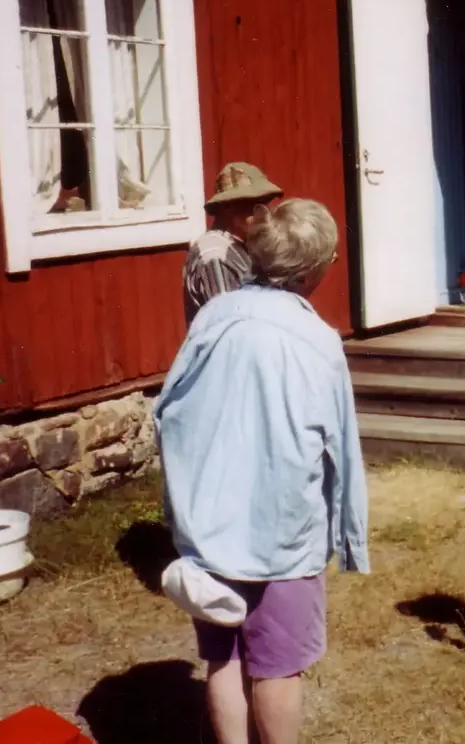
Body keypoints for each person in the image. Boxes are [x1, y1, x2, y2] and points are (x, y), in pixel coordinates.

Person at [155, 198, 368, 744]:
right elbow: (341, 443)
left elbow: (167, 410)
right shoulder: (316, 339)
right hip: (283, 532)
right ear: (316, 270)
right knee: (277, 666)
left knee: (223, 655)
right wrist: (350, 537)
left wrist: (181, 501)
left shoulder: (212, 317)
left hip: (210, 523)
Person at [182, 161, 283, 325]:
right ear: (228, 207)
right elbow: (229, 325)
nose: (264, 214)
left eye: (266, 205)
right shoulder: (216, 255)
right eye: (255, 206)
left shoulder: (243, 244)